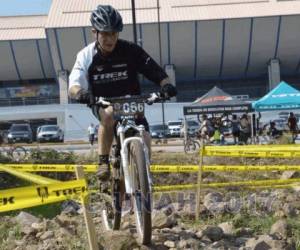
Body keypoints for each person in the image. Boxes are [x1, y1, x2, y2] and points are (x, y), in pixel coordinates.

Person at [68, 5, 177, 189]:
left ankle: (142, 181)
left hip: (132, 101)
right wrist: (81, 94)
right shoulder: (86, 55)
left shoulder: (131, 50)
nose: (110, 39)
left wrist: (166, 85)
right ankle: (103, 162)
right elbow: (73, 85)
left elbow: (156, 72)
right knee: (109, 115)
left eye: (114, 34)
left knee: (147, 139)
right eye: (105, 34)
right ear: (94, 32)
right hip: (102, 101)